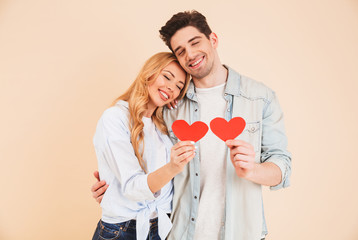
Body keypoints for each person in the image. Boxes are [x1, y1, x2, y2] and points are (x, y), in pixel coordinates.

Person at [91, 11, 292, 240]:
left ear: (213, 40)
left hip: (241, 232)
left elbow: (281, 166)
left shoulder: (260, 98)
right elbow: (141, 161)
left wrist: (253, 170)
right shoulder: (169, 106)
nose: (190, 54)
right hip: (180, 232)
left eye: (195, 42)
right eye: (181, 51)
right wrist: (114, 191)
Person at [91, 52, 193, 240]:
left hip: (161, 227)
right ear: (149, 73)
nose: (171, 88)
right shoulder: (115, 118)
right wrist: (172, 167)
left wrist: (177, 109)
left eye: (179, 87)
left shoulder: (162, 127)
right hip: (123, 230)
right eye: (167, 77)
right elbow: (132, 186)